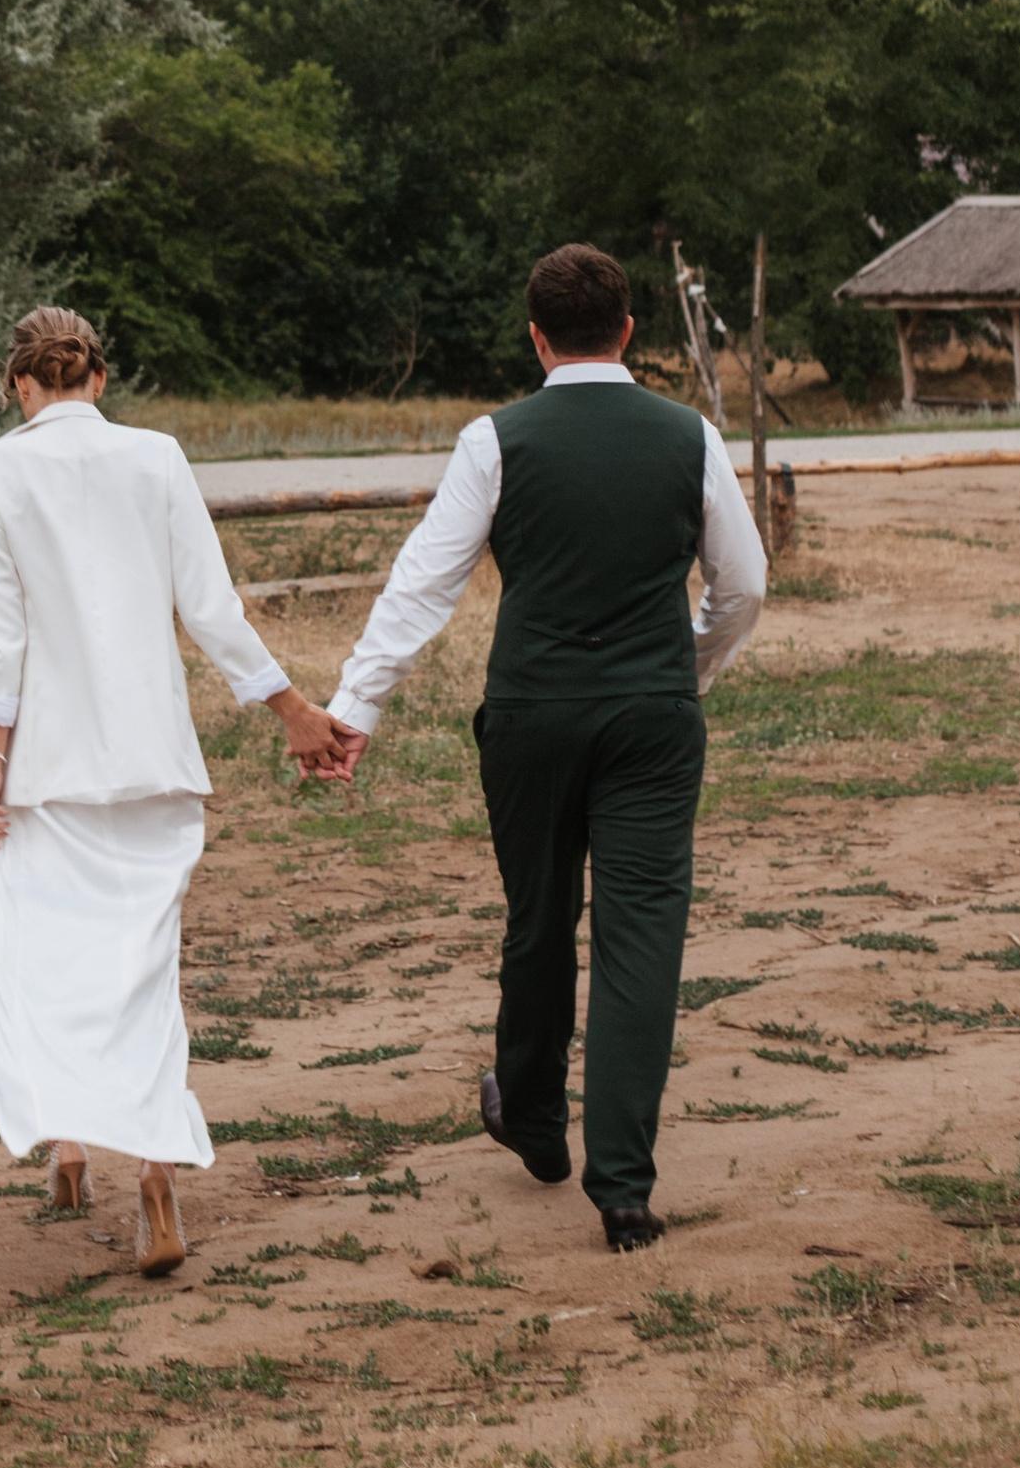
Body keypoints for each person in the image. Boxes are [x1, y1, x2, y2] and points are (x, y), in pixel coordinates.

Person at [312, 241, 767, 1253]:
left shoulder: (496, 440)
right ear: (628, 332)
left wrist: (356, 707)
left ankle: (528, 1114)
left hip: (531, 712)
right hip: (651, 716)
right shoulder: (687, 434)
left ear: (535, 336)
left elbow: (422, 585)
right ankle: (624, 1188)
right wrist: (684, 671)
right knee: (641, 933)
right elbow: (742, 587)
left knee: (539, 915)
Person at [0, 303, 339, 1276]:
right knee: (143, 971)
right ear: (97, 380)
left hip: (50, 774)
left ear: (19, 384)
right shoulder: (157, 458)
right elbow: (212, 610)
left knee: (46, 963)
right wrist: (292, 712)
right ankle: (152, 1170)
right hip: (154, 764)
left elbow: (2, 635)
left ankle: (67, 1146)